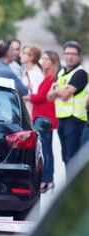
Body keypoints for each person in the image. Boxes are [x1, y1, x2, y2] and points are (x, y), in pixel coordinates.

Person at [23, 50, 60, 192]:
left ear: (52, 62)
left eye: (46, 59)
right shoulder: (47, 77)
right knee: (45, 150)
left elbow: (40, 97)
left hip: (46, 119)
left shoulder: (51, 78)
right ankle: (46, 179)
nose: (43, 61)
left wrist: (25, 97)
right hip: (41, 117)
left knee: (46, 151)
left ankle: (47, 179)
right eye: (43, 59)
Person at [48, 41, 88, 169]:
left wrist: (56, 91)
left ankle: (73, 188)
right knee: (65, 156)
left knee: (72, 158)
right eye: (67, 53)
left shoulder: (80, 73)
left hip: (75, 120)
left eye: (73, 54)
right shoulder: (61, 73)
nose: (70, 57)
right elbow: (49, 97)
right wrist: (58, 91)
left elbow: (65, 95)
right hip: (63, 119)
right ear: (63, 55)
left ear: (79, 56)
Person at [20, 45, 44, 115]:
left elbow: (37, 95)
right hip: (26, 109)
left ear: (31, 57)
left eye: (24, 53)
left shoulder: (36, 73)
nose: (21, 55)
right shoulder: (26, 71)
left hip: (31, 111)